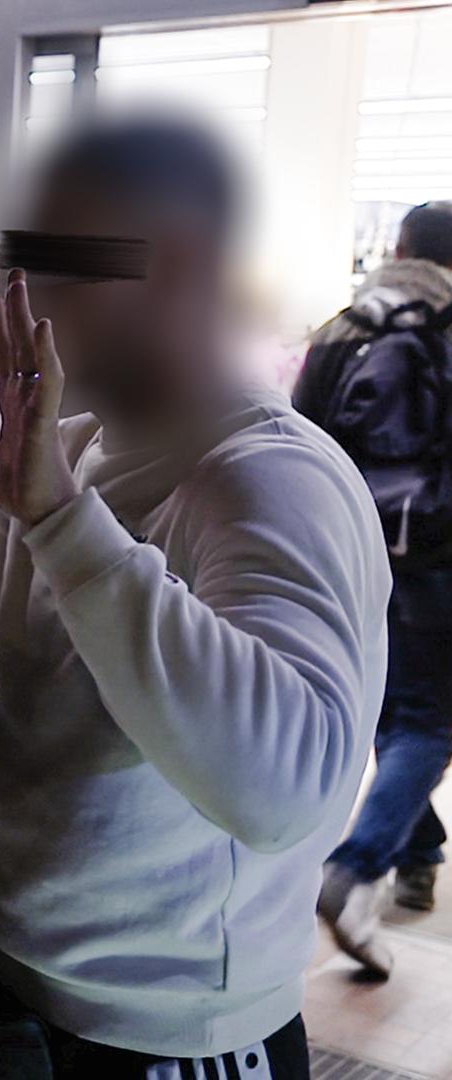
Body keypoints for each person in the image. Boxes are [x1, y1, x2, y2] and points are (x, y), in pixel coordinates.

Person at [0, 117, 390, 1076]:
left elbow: (290, 786)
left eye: (57, 268)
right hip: (7, 993)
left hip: (159, 1037)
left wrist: (63, 521)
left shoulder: (269, 477)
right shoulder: (79, 446)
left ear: (181, 267)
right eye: (18, 265)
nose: (21, 302)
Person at [295, 200, 452, 974]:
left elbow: (297, 435)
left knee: (384, 705)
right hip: (436, 554)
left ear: (396, 248)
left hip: (343, 547)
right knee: (428, 719)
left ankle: (421, 852)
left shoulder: (342, 328)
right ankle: (357, 866)